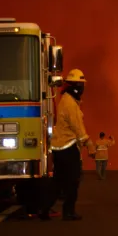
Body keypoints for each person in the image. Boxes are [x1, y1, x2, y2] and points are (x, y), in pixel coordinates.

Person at [40, 69, 96, 221]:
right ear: (74, 86)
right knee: (73, 181)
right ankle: (68, 211)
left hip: (60, 148)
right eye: (80, 84)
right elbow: (78, 127)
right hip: (68, 148)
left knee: (58, 182)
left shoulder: (66, 100)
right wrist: (88, 143)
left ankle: (44, 209)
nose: (82, 87)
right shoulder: (70, 103)